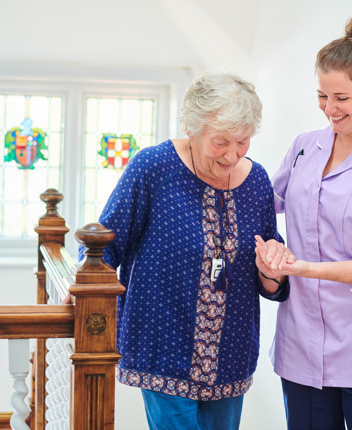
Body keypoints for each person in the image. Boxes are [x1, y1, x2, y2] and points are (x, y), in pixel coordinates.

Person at [90, 72, 293, 430]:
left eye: (243, 141)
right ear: (192, 129)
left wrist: (272, 272)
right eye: (221, 142)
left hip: (230, 353)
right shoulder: (153, 167)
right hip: (162, 345)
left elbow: (269, 273)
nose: (232, 155)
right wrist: (85, 302)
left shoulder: (258, 181)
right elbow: (105, 248)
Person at [255, 16, 352, 430]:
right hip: (302, 348)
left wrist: (304, 269)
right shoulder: (305, 148)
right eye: (322, 96)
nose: (330, 110)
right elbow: (262, 203)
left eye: (341, 98)